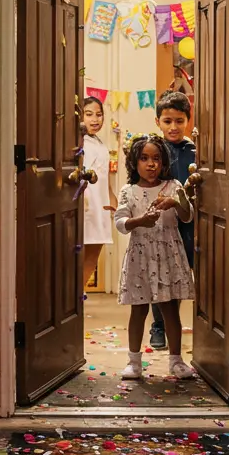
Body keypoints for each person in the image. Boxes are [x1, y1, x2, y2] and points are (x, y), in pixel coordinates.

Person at [114, 133, 194, 380]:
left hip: (168, 254)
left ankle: (176, 361)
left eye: (157, 159)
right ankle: (134, 361)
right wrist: (140, 221)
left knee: (170, 309)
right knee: (138, 310)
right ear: (134, 162)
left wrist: (175, 203)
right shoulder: (129, 191)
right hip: (141, 256)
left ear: (164, 162)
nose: (151, 164)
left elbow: (187, 216)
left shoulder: (174, 187)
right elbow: (120, 222)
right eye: (145, 158)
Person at [149, 90, 196, 350]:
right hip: (160, 225)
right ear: (158, 122)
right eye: (167, 121)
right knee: (160, 275)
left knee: (180, 274)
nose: (173, 127)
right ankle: (158, 326)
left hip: (187, 224)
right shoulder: (151, 150)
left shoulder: (195, 151)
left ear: (188, 120)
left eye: (179, 120)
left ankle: (172, 323)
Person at [82, 95, 117, 288]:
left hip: (101, 204)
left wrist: (112, 197)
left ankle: (78, 295)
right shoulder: (80, 143)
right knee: (83, 252)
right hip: (88, 205)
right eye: (89, 114)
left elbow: (104, 177)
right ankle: (73, 297)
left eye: (99, 115)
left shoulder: (99, 142)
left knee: (94, 253)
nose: (95, 120)